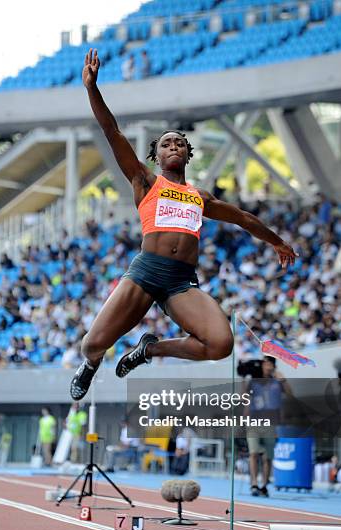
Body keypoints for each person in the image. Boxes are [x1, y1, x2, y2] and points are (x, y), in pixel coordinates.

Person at [70, 48, 298, 401]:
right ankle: (90, 364)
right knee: (92, 343)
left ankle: (149, 351)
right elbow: (110, 130)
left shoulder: (199, 195)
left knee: (221, 343)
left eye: (179, 142)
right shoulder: (145, 181)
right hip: (146, 272)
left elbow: (243, 218)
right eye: (166, 143)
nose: (173, 145)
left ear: (187, 154)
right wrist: (91, 89)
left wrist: (277, 241)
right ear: (157, 156)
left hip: (181, 281)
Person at [244, 357, 292, 497]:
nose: (267, 366)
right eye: (265, 363)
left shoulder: (277, 382)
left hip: (271, 423)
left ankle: (264, 485)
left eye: (270, 363)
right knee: (253, 453)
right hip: (254, 422)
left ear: (273, 366)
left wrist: (283, 379)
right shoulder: (253, 381)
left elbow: (290, 394)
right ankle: (254, 484)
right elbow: (244, 398)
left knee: (267, 457)